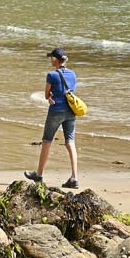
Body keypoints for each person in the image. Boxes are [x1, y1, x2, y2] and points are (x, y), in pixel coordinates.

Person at [34, 48, 82, 186]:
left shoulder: (51, 75)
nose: (50, 60)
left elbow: (46, 94)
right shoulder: (73, 74)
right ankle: (74, 177)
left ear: (55, 59)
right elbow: (69, 91)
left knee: (47, 141)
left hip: (56, 111)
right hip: (71, 112)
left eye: (51, 57)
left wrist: (49, 98)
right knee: (70, 142)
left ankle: (39, 174)